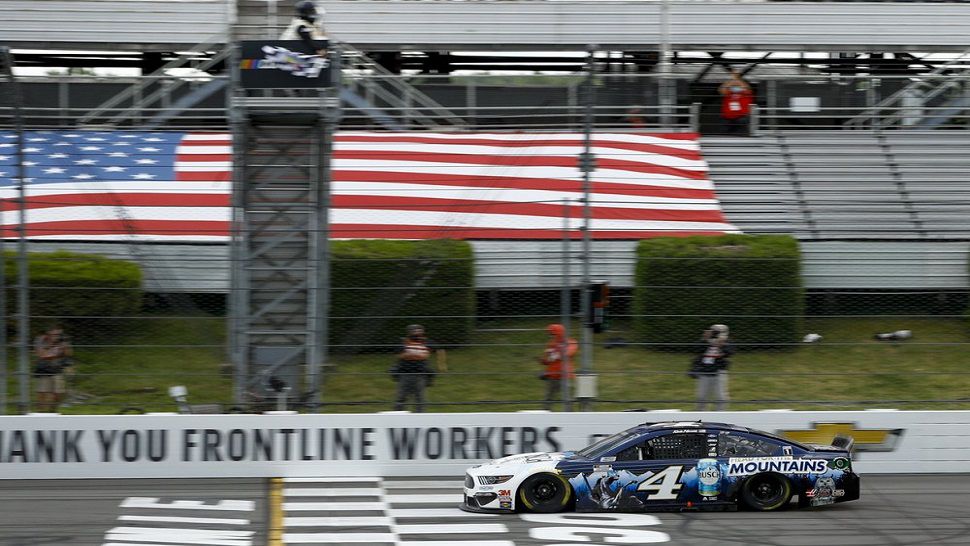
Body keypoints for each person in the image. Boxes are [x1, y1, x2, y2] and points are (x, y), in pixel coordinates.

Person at [390, 324, 443, 412]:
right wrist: (409, 355)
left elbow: (440, 349)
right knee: (401, 397)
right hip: (405, 373)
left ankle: (419, 417)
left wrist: (441, 365)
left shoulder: (427, 342)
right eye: (415, 331)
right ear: (409, 332)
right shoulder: (403, 341)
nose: (418, 333)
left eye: (420, 331)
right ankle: (398, 415)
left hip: (420, 373)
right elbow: (398, 354)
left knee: (420, 398)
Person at [690, 324, 733, 411]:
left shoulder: (726, 342)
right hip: (704, 370)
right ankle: (700, 415)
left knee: (720, 396)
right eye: (713, 331)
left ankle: (720, 414)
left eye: (717, 332)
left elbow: (730, 352)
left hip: (718, 371)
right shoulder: (706, 341)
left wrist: (721, 344)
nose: (715, 334)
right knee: (701, 396)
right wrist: (705, 339)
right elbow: (696, 350)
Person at [33, 325, 73, 412]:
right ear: (48, 334)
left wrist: (66, 346)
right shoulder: (41, 339)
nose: (57, 336)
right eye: (55, 334)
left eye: (59, 334)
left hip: (57, 369)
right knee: (42, 392)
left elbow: (68, 355)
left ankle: (52, 411)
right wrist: (57, 353)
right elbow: (41, 354)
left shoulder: (62, 341)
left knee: (58, 392)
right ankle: (40, 412)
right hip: (43, 369)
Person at [538, 323, 578, 410]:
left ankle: (569, 416)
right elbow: (548, 360)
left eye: (552, 333)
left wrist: (556, 354)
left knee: (567, 399)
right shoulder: (551, 344)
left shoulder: (571, 342)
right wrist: (543, 361)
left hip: (565, 375)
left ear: (559, 333)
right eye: (550, 334)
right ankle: (545, 416)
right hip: (552, 375)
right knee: (548, 397)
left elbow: (568, 353)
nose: (551, 335)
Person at [718, 69, 754, 135]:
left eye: (737, 84)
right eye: (734, 84)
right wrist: (732, 79)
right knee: (724, 135)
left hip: (741, 118)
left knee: (741, 134)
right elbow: (721, 90)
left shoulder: (745, 92)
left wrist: (736, 78)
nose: (735, 84)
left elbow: (746, 87)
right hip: (727, 118)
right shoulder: (729, 92)